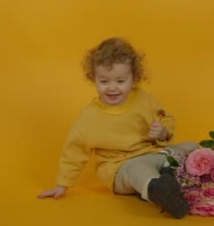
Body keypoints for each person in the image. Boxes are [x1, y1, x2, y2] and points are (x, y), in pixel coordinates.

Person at [37, 37, 196, 219]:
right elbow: (74, 151)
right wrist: (62, 184)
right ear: (93, 79)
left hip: (154, 154)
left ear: (133, 79)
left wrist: (163, 131)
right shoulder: (89, 117)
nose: (112, 88)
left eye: (120, 81)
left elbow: (165, 118)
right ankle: (159, 190)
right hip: (120, 168)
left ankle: (166, 176)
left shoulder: (143, 99)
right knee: (138, 170)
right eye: (104, 81)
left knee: (190, 147)